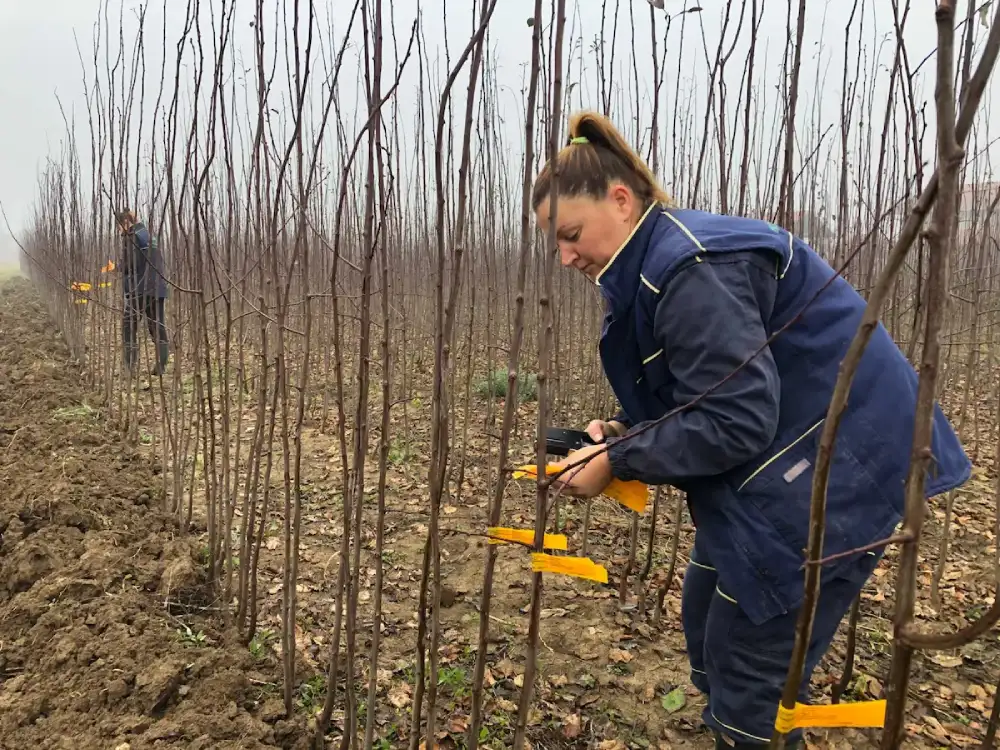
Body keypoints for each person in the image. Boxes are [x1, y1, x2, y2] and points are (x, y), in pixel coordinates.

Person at [532, 111, 971, 750]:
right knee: (706, 620)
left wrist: (620, 459)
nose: (566, 256)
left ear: (621, 201)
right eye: (555, 243)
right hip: (784, 468)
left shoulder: (688, 266)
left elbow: (733, 420)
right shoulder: (658, 262)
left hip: (835, 477)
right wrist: (622, 430)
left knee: (748, 680)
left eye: (571, 234)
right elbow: (708, 388)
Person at [116, 209, 169, 376]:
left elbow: (130, 264)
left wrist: (118, 268)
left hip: (139, 288)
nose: (119, 231)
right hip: (157, 288)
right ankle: (161, 366)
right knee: (157, 326)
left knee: (128, 325)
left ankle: (129, 367)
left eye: (118, 226)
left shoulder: (131, 237)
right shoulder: (148, 235)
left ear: (125, 222)